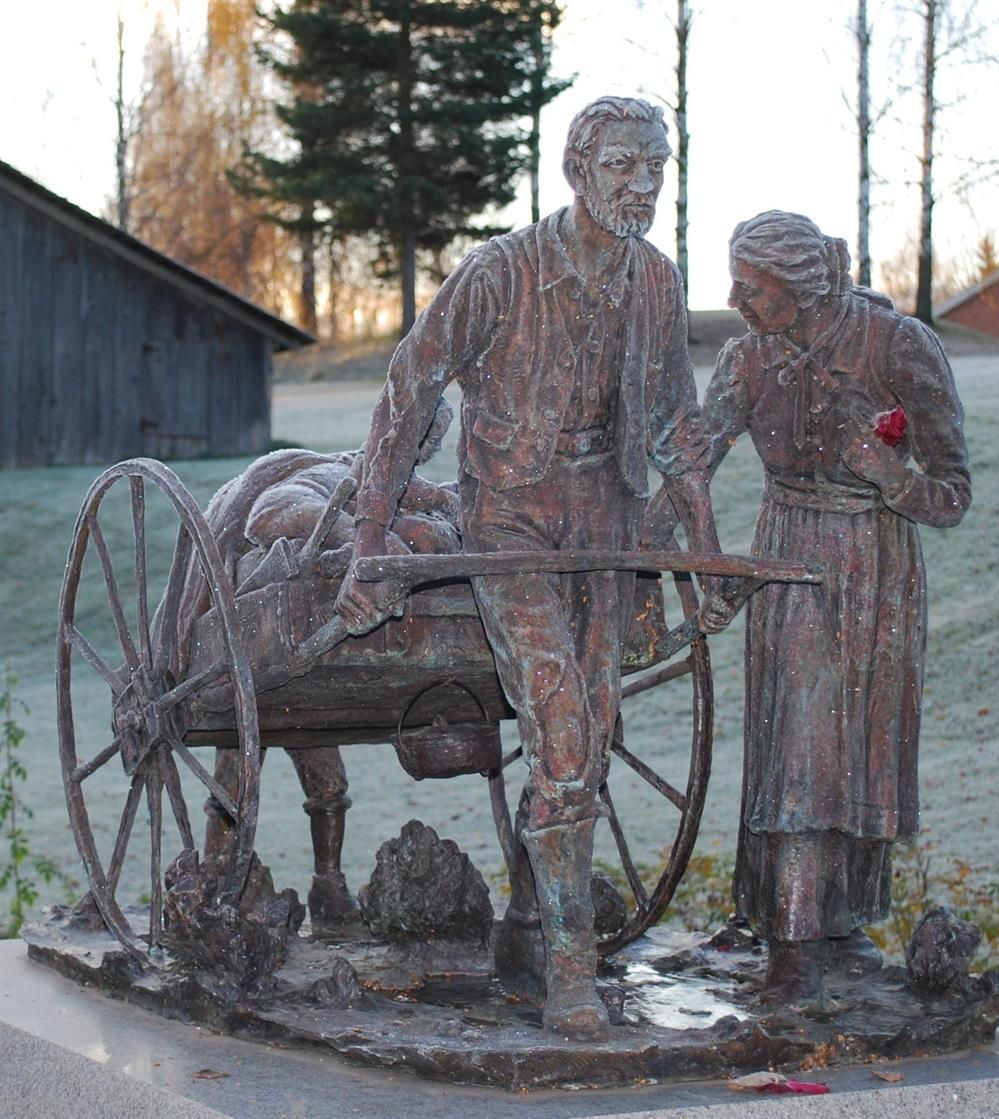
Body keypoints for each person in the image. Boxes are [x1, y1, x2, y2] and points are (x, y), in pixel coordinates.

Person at [336, 96, 732, 1039]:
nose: (643, 185)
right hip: (507, 523)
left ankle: (529, 922)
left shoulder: (657, 283)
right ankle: (569, 970)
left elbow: (678, 425)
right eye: (623, 165)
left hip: (608, 528)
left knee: (591, 731)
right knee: (560, 722)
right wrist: (370, 533)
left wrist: (704, 556)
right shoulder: (501, 273)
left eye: (657, 167)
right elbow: (414, 377)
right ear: (577, 170)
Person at [702, 211, 971, 1009]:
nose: (736, 300)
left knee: (859, 751)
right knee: (800, 750)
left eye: (753, 288)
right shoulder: (745, 357)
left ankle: (839, 921)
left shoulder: (898, 346)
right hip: (787, 564)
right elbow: (694, 458)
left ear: (800, 285)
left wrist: (889, 474)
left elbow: (952, 494)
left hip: (876, 569)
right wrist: (701, 556)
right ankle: (792, 945)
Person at [196, 402, 458, 933]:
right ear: (379, 439)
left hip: (340, 665)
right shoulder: (330, 474)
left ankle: (328, 889)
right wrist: (352, 535)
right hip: (262, 650)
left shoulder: (426, 498)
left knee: (328, 785)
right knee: (239, 766)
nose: (414, 452)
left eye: (424, 444)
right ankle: (214, 877)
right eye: (406, 438)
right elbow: (268, 515)